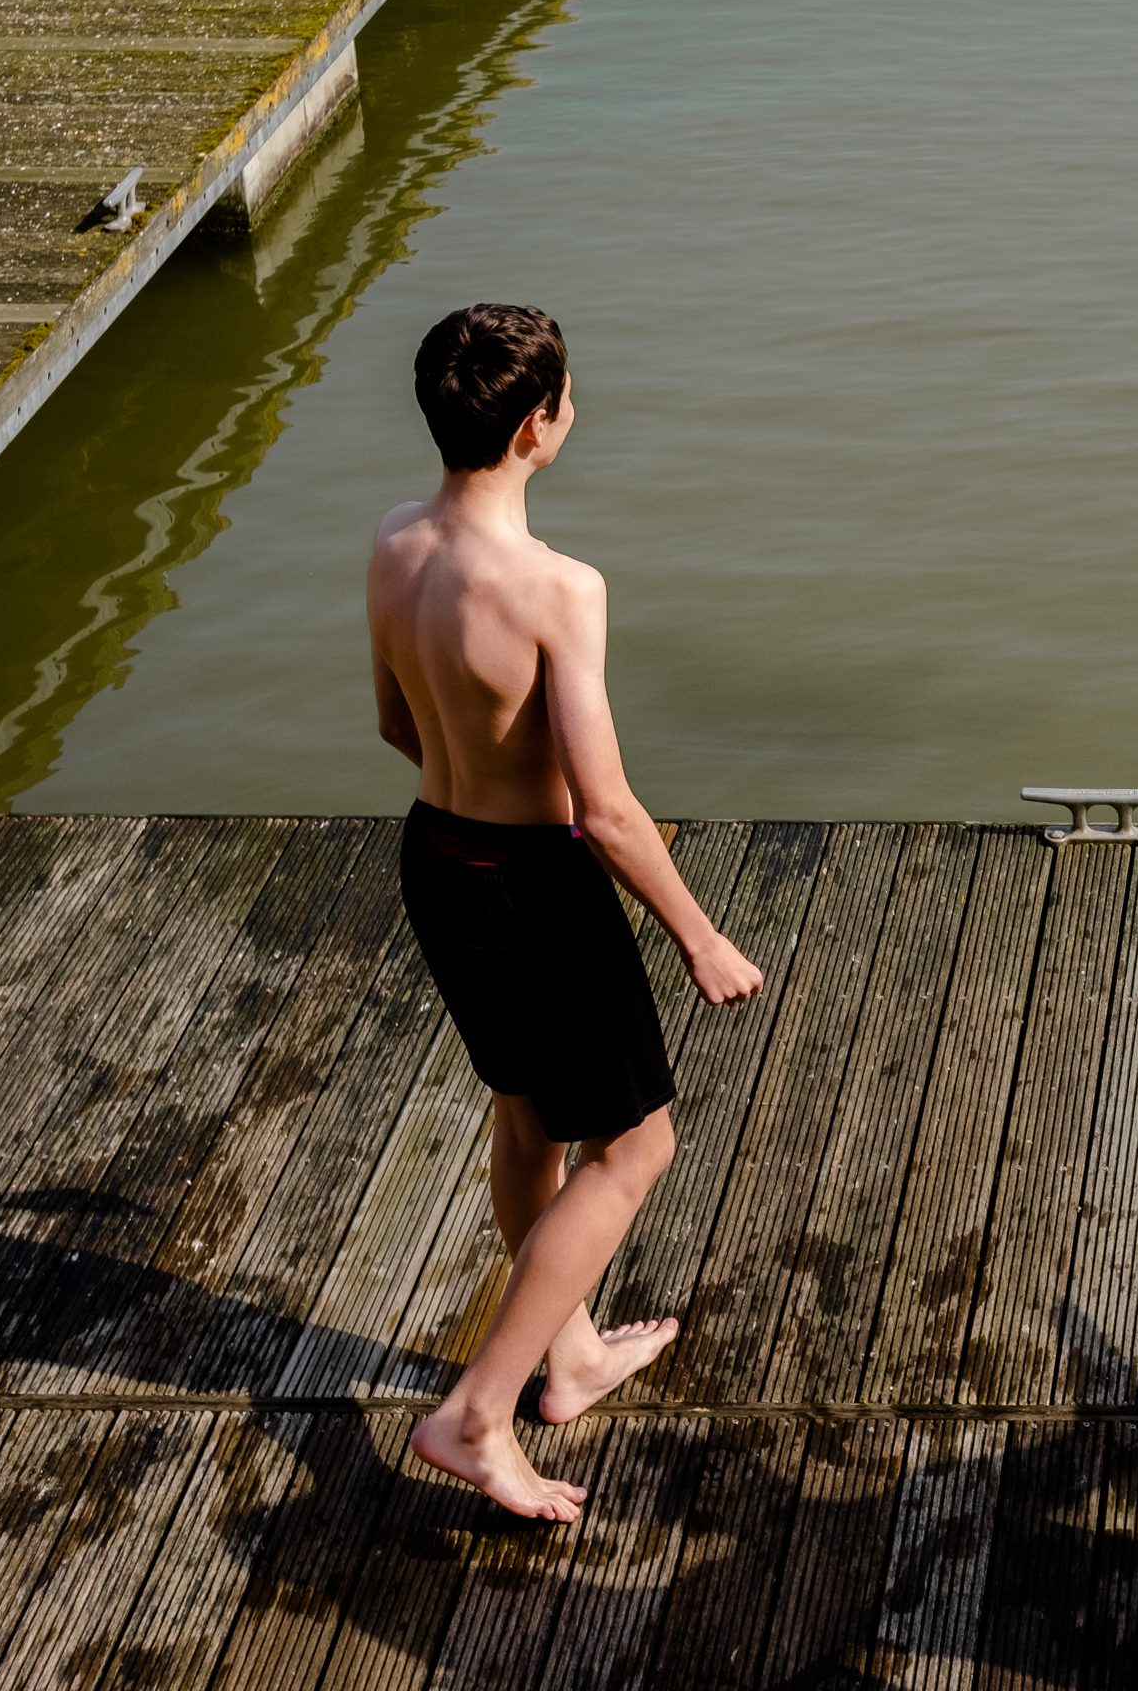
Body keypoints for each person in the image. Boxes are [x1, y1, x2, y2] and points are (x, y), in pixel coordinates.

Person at [370, 303, 767, 1522]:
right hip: (528, 886)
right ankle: (475, 1417)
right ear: (540, 427)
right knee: (637, 1147)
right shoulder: (557, 589)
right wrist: (699, 933)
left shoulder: (394, 544)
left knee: (528, 1113)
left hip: (435, 857)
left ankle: (573, 1352)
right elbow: (605, 809)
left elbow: (396, 725)